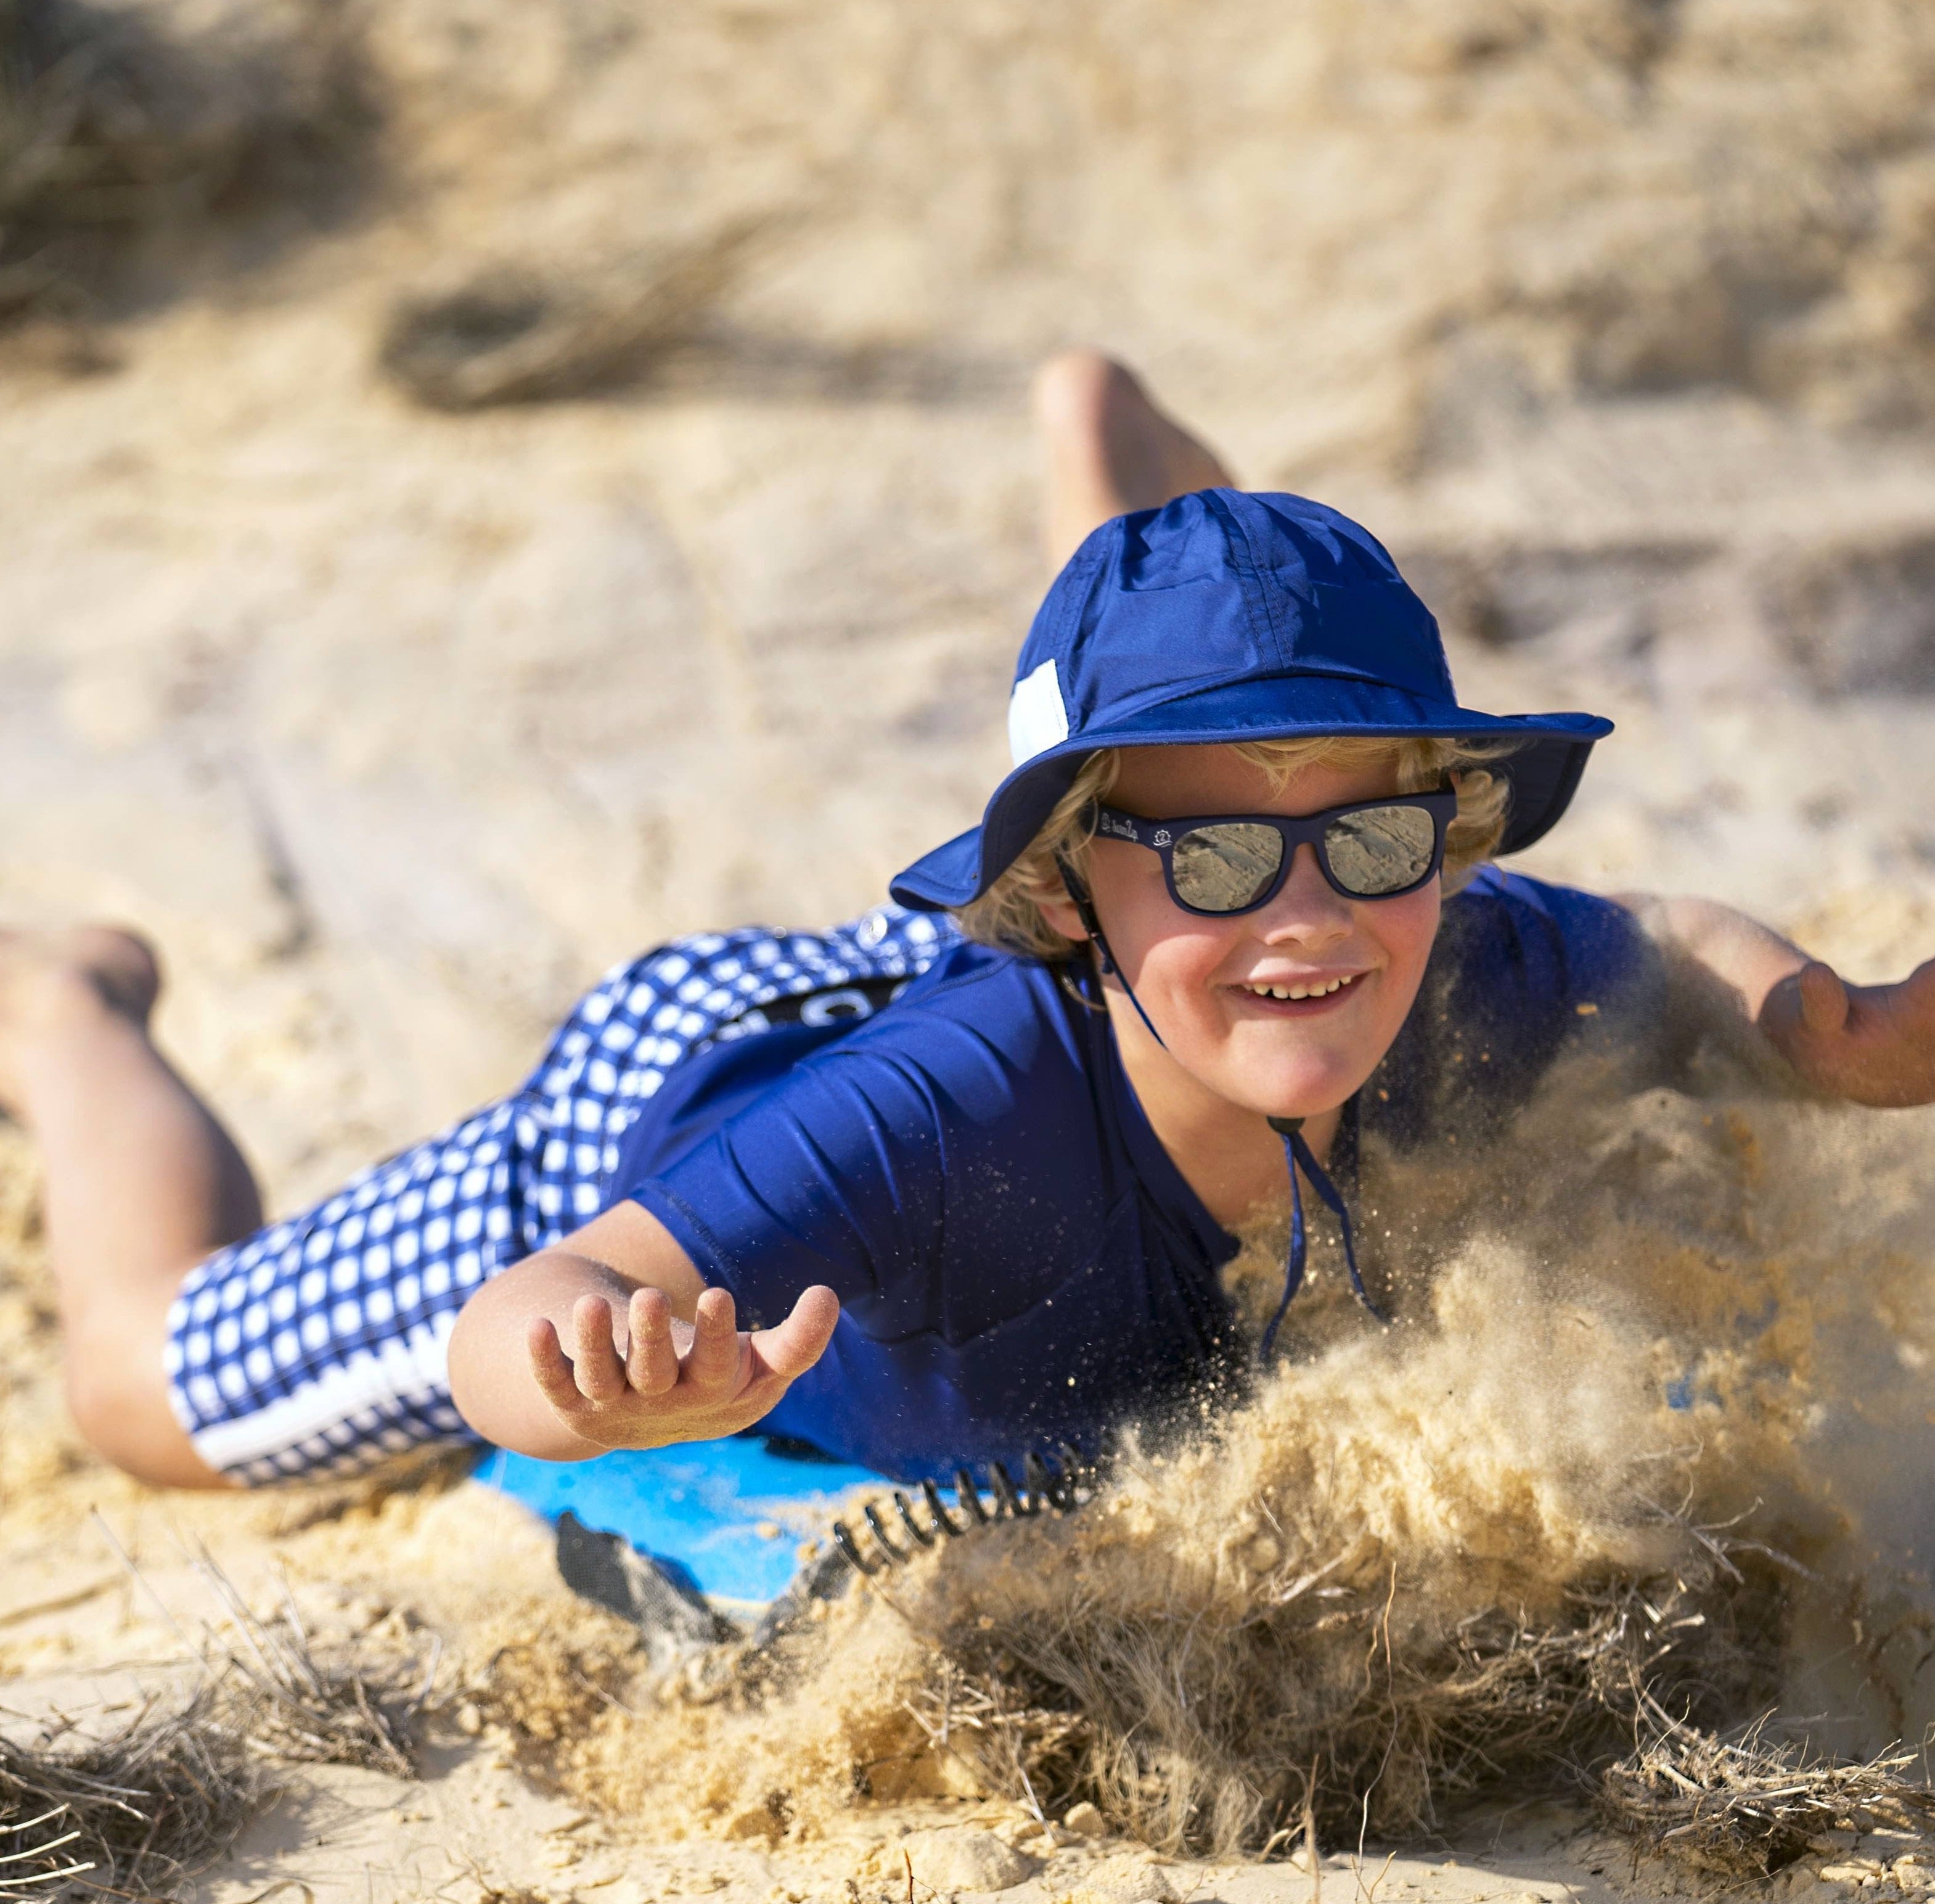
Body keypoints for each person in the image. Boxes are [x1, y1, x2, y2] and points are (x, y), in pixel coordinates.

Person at [6, 353, 1933, 1496]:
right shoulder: (942, 1113)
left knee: (1189, 745)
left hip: (1037, 953)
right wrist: (594, 1379)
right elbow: (537, 1302)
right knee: (143, 1397)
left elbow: (1668, 943)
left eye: (1374, 834)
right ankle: (60, 1011)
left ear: (1451, 832)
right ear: (1063, 894)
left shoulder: (1467, 957)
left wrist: (1825, 1021)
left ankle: (1121, 513)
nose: (1306, 919)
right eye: (1204, 858)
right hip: (677, 1092)